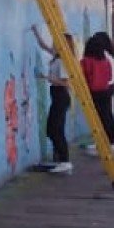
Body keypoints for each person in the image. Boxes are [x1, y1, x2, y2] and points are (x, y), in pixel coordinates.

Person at [32, 26, 74, 167]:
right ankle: (60, 157)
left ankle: (64, 160)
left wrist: (46, 77)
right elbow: (44, 46)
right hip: (57, 96)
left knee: (55, 129)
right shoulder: (57, 56)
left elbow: (66, 83)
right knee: (52, 129)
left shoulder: (63, 61)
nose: (53, 44)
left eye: (56, 42)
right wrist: (36, 32)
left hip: (61, 95)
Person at [81, 32, 114, 145]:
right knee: (106, 114)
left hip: (94, 91)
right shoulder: (105, 60)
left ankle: (104, 142)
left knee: (100, 117)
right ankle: (109, 141)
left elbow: (83, 76)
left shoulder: (86, 61)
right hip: (106, 89)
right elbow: (110, 75)